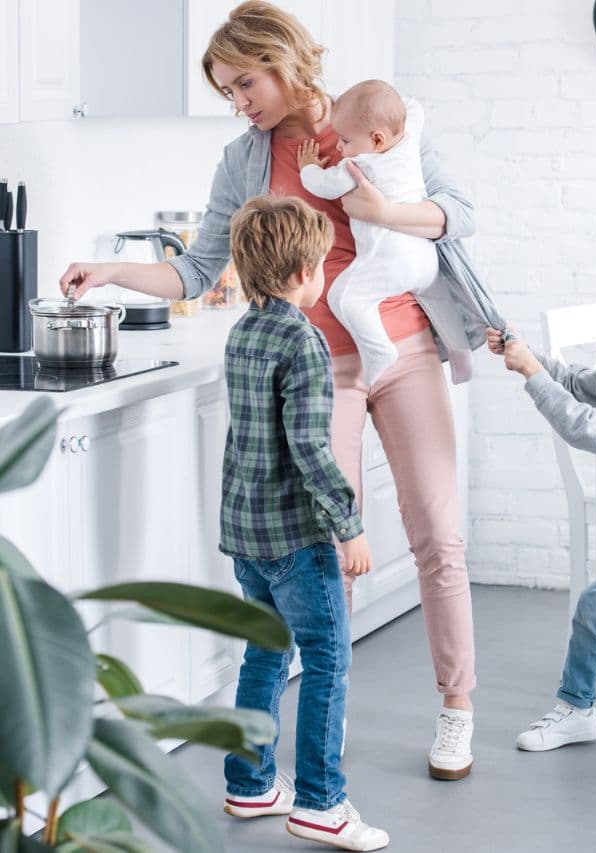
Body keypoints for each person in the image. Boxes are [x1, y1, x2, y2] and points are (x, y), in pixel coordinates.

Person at [60, 0, 487, 781]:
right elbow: (195, 270)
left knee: (438, 536)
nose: (239, 101)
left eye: (244, 81)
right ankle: (337, 697)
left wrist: (384, 209)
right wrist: (113, 272)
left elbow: (457, 213)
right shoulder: (243, 159)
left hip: (407, 346)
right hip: (322, 363)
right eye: (227, 90)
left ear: (284, 58)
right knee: (332, 548)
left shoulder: (375, 113)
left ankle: (457, 707)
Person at [220, 194, 389, 851]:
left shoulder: (245, 330)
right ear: (300, 275)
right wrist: (348, 525)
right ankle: (321, 801)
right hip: (296, 536)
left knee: (265, 651)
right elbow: (311, 449)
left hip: (246, 533)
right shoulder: (303, 339)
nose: (322, 275)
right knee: (326, 656)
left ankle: (251, 781)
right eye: (319, 265)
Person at [486, 326, 596, 752]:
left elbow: (584, 427)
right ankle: (577, 711)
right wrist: (525, 353)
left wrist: (532, 372)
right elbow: (574, 383)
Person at [297, 79, 439, 386]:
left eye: (345, 140)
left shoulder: (361, 165)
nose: (338, 147)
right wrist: (381, 106)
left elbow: (322, 185)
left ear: (376, 140)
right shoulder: (409, 136)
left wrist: (308, 167)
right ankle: (459, 352)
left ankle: (378, 352)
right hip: (426, 260)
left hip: (390, 260)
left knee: (344, 298)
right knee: (441, 304)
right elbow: (413, 107)